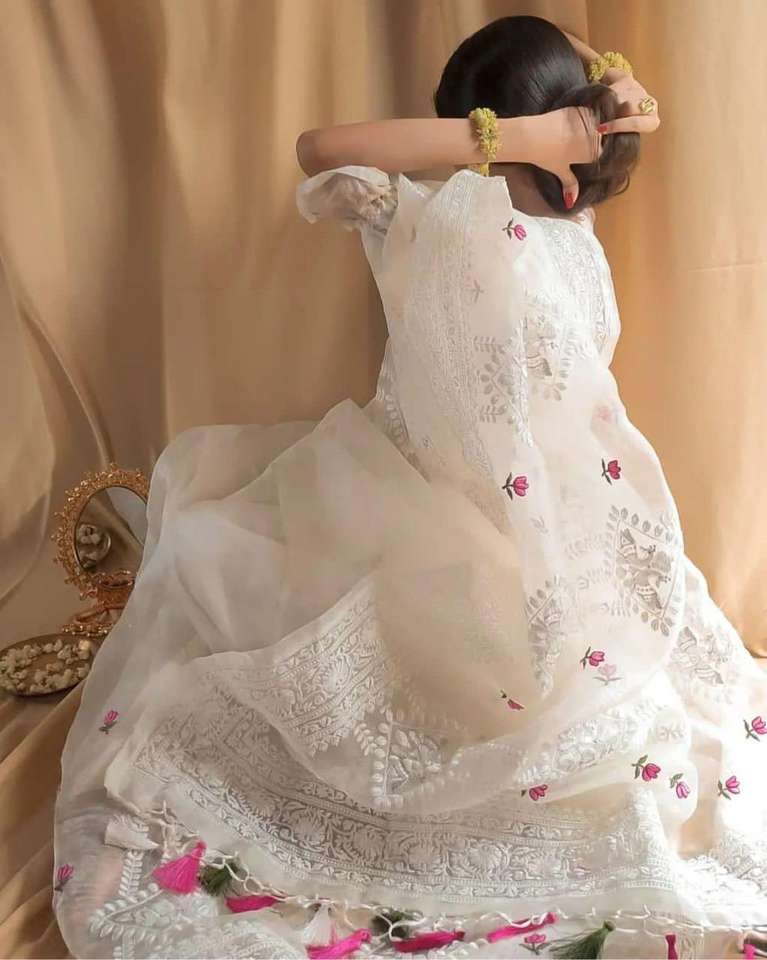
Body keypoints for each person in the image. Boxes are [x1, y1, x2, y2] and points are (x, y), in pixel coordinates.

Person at [53, 16, 766, 960]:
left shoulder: (569, 232)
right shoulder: (431, 216)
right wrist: (518, 137)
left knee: (637, 700)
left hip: (562, 529)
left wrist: (595, 108)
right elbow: (320, 148)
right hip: (430, 520)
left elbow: (635, 107)